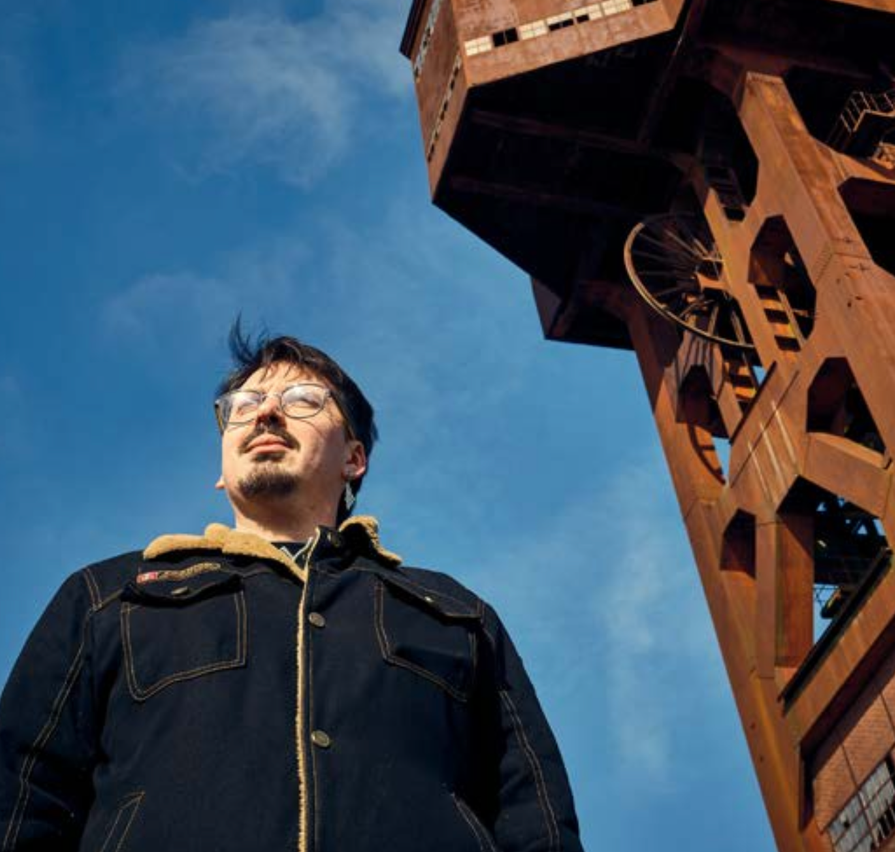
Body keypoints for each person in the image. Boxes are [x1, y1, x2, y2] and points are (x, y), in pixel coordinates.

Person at [0, 328, 583, 852]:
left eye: (303, 401)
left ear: (354, 458)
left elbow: (533, 815)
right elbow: (23, 793)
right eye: (243, 406)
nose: (266, 414)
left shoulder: (455, 613)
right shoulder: (111, 597)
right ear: (221, 468)